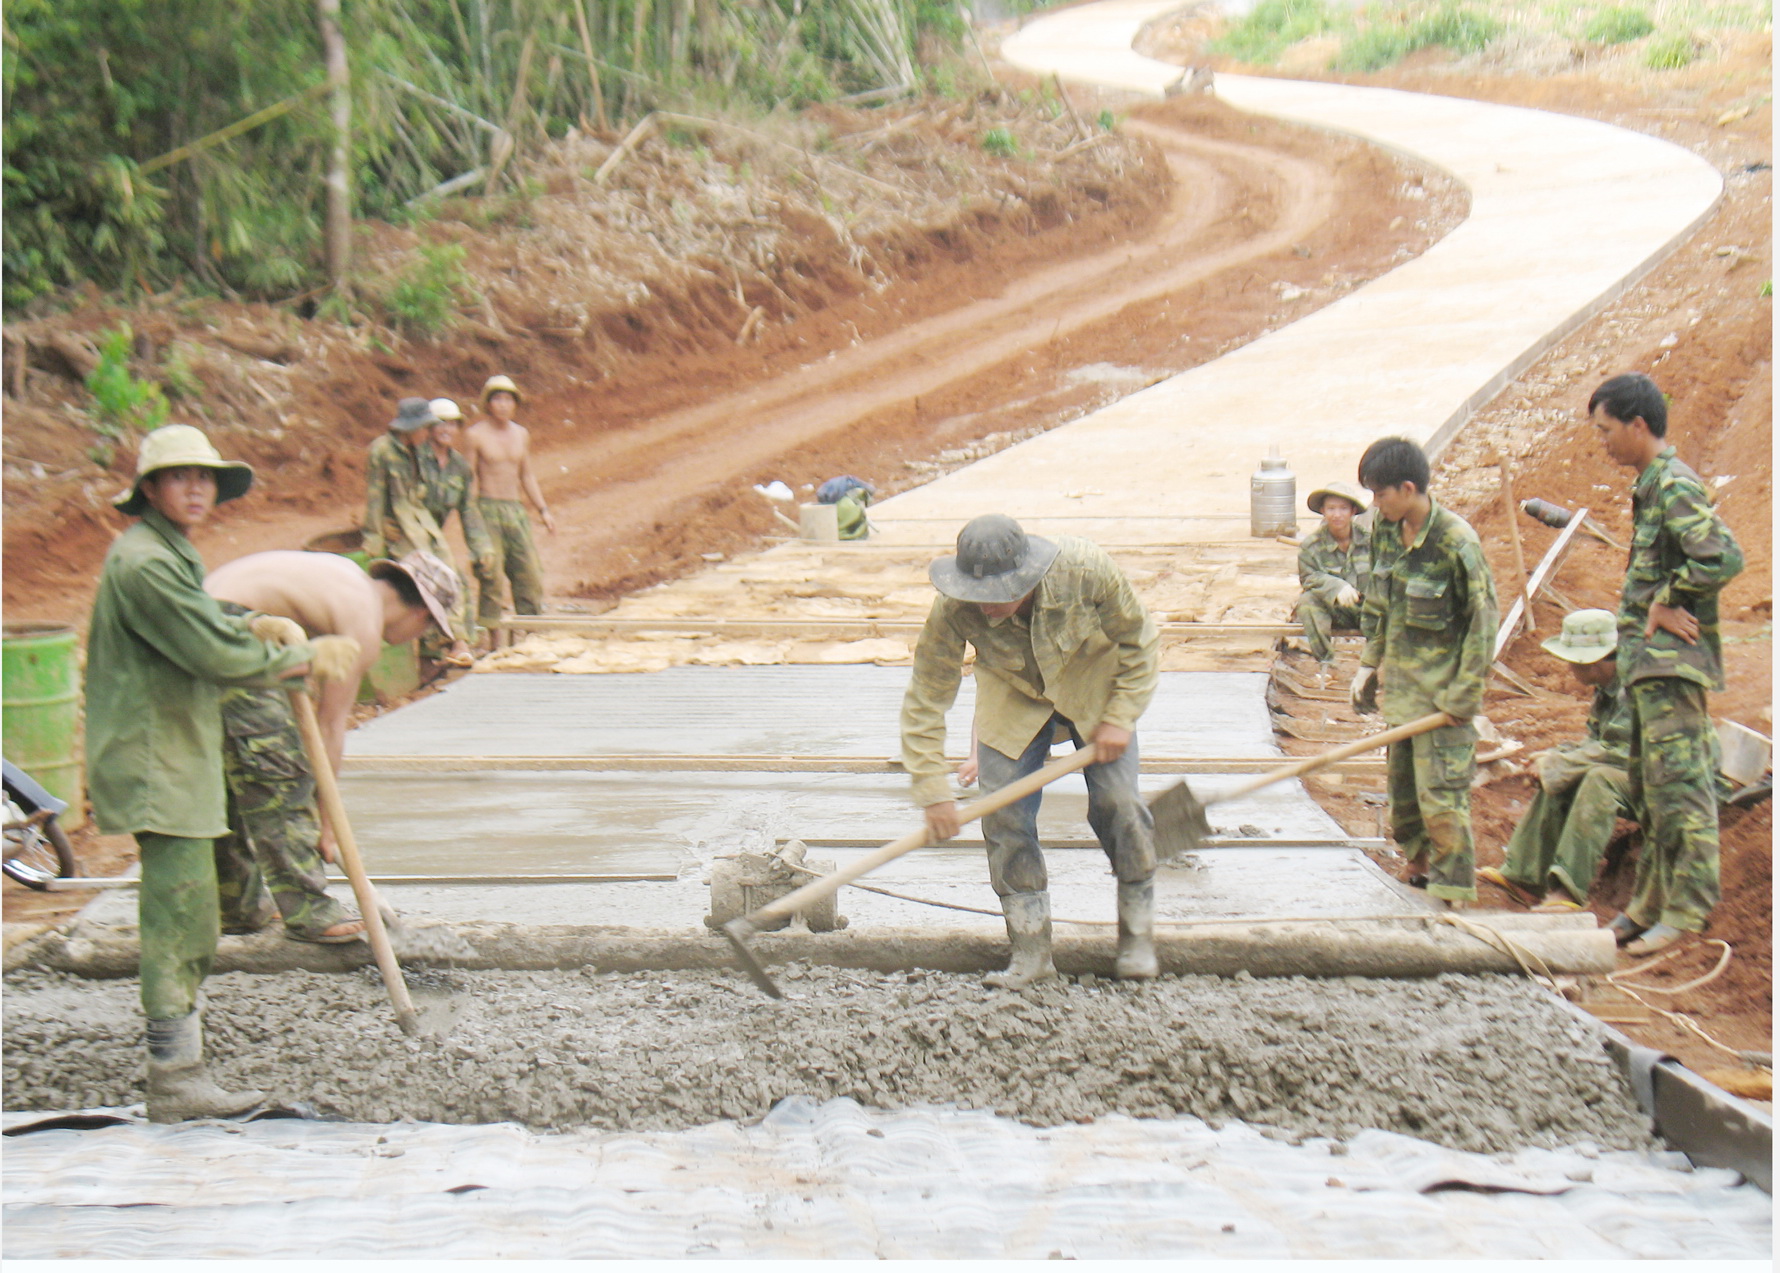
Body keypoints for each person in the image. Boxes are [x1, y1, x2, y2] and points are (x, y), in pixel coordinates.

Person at [84, 424, 358, 1122]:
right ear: (149, 489)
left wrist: (250, 626)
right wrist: (297, 659)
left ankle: (181, 1064)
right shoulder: (144, 563)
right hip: (155, 756)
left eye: (204, 478)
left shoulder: (168, 552)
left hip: (178, 750)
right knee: (178, 916)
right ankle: (175, 1078)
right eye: (180, 477)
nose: (196, 489)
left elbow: (203, 624)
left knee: (195, 913)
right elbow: (206, 650)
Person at [901, 514, 1160, 987]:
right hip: (1014, 693)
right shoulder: (952, 608)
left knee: (1120, 803)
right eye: (975, 593)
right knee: (1004, 815)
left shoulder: (1084, 569)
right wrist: (931, 790)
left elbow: (1139, 641)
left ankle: (1137, 938)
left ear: (1028, 577)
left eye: (998, 594)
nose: (984, 605)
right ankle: (1031, 952)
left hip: (1094, 686)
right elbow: (925, 698)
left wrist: (1121, 717)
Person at [204, 549, 462, 944]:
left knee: (226, 772)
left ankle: (237, 904)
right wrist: (327, 825)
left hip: (192, 621)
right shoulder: (363, 621)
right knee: (278, 770)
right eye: (427, 629)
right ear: (421, 613)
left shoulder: (344, 581)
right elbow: (328, 727)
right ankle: (309, 910)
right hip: (233, 626)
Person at [1589, 372, 1743, 955]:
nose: (1602, 442)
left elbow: (1723, 557)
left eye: (1606, 430)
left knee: (1683, 790)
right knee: (1652, 793)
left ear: (1638, 425)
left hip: (1672, 665)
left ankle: (1687, 909)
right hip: (1647, 668)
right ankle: (1648, 905)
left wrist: (1667, 599)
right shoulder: (1651, 484)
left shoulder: (1674, 484)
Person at [1351, 437, 1497, 907]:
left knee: (1442, 797)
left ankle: (1453, 893)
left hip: (1442, 698)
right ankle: (1417, 864)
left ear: (1408, 489)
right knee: (1404, 792)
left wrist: (1464, 696)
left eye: (1380, 494)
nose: (1376, 504)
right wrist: (1369, 663)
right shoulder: (1387, 530)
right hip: (1404, 695)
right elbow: (1381, 603)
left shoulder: (1456, 542)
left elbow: (1482, 624)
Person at [1479, 610, 1633, 912]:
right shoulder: (1608, 688)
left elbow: (1625, 751)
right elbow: (1598, 742)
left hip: (1670, 782)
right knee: (1565, 774)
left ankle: (1568, 890)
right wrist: (1556, 757)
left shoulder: (1636, 688)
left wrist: (1559, 764)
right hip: (1637, 772)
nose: (1569, 667)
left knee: (1598, 781)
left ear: (1594, 660)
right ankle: (1524, 877)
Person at [362, 397, 473, 666]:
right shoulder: (382, 450)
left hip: (421, 522)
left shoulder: (417, 450)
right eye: (425, 427)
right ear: (411, 427)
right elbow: (375, 497)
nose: (428, 432)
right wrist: (375, 536)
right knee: (425, 583)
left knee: (450, 575)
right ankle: (440, 648)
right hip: (400, 528)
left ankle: (458, 641)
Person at [463, 374, 554, 631]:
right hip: (487, 509)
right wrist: (471, 517)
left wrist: (543, 510)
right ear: (488, 403)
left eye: (508, 399)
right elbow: (469, 479)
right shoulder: (475, 435)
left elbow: (526, 474)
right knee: (490, 576)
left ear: (515, 403)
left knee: (529, 574)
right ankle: (492, 638)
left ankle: (532, 633)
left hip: (515, 511)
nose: (503, 405)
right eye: (497, 399)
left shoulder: (521, 434)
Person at [421, 397, 500, 650]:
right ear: (428, 427)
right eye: (440, 423)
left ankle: (458, 647)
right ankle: (451, 646)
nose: (447, 429)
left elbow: (468, 511)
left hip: (434, 538)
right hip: (410, 533)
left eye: (452, 424)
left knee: (460, 582)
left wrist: (482, 547)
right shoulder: (414, 459)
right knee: (439, 580)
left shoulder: (459, 467)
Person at [1295, 479, 1373, 670]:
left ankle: (1379, 665)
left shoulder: (1371, 542)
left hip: (1368, 610)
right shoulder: (1311, 546)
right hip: (1336, 611)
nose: (1337, 515)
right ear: (1323, 511)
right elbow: (1309, 578)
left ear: (1353, 511)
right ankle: (1327, 663)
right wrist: (1336, 586)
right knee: (1307, 602)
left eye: (1343, 508)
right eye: (1331, 508)